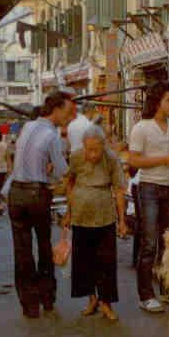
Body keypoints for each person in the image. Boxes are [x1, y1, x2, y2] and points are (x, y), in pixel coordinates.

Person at [7, 90, 75, 318]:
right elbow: (62, 170)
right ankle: (47, 298)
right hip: (37, 194)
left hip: (16, 193)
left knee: (22, 251)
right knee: (44, 247)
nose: (68, 117)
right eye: (67, 112)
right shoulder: (52, 135)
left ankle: (29, 305)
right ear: (56, 110)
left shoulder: (28, 127)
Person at [128, 81, 169, 314]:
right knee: (149, 243)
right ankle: (146, 295)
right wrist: (165, 160)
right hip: (149, 188)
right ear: (157, 103)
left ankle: (166, 289)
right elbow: (133, 160)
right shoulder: (141, 128)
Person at [63, 125, 127, 321]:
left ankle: (106, 302)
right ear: (83, 146)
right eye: (88, 149)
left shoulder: (112, 159)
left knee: (106, 261)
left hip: (105, 215)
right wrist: (68, 211)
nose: (92, 154)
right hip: (81, 214)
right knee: (83, 260)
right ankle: (91, 299)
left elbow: (118, 190)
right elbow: (70, 182)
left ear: (103, 145)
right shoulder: (76, 157)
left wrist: (122, 220)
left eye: (96, 149)